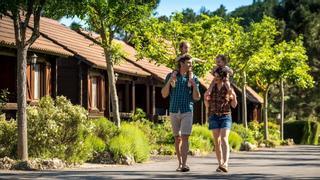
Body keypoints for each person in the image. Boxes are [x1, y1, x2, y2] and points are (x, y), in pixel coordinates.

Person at [161, 54, 201, 172]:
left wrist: (194, 85)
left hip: (187, 110)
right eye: (188, 63)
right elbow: (164, 94)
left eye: (191, 63)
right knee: (177, 138)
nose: (190, 65)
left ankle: (184, 164)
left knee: (185, 137)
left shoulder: (193, 78)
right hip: (173, 110)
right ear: (181, 64)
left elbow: (197, 97)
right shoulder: (171, 75)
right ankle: (179, 163)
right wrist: (169, 81)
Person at [204, 66, 237, 173]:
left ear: (222, 77)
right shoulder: (212, 87)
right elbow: (206, 98)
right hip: (213, 116)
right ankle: (220, 164)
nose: (215, 78)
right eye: (215, 76)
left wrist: (233, 96)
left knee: (224, 139)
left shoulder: (228, 88)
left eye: (217, 76)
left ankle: (225, 163)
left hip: (225, 116)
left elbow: (234, 105)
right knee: (217, 141)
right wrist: (210, 87)